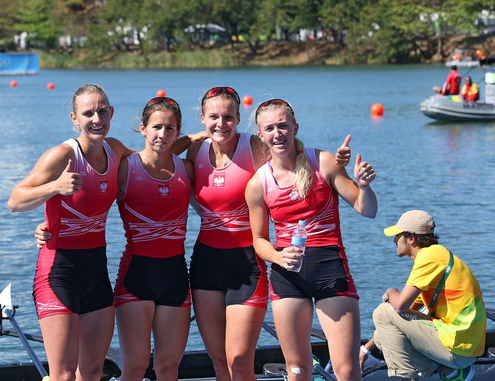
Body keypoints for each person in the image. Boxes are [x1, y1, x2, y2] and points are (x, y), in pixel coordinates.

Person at [185, 87, 353, 381]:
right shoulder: (194, 151)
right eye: (213, 117)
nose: (221, 124)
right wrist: (195, 137)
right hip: (206, 262)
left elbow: (291, 156)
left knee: (239, 361)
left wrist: (337, 168)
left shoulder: (255, 147)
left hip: (249, 262)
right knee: (218, 360)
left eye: (228, 117)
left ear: (239, 119)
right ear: (202, 118)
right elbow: (159, 153)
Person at [7, 84, 134, 381]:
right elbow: (15, 201)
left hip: (96, 272)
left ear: (111, 113)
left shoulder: (115, 149)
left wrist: (198, 139)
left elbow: (154, 156)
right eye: (88, 113)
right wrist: (54, 188)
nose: (96, 119)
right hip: (58, 273)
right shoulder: (62, 156)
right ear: (75, 118)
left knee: (91, 371)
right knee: (63, 374)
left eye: (102, 111)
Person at [245, 98, 377, 381]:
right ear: (260, 135)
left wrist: (363, 187)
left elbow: (367, 209)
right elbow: (258, 240)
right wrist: (279, 257)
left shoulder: (324, 162)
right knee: (297, 369)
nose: (277, 133)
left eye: (283, 125)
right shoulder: (258, 183)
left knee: (347, 369)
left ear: (295, 127)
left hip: (330, 267)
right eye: (270, 128)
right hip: (287, 275)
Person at [113, 97, 194, 381]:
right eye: (156, 126)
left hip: (175, 276)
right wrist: (49, 225)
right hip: (136, 276)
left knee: (169, 369)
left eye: (169, 128)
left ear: (178, 131)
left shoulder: (188, 169)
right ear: (143, 128)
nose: (162, 134)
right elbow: (89, 199)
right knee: (135, 368)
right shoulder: (125, 167)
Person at [360, 210, 486, 381]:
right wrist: (365, 349)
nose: (394, 240)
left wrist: (391, 291)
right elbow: (403, 315)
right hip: (465, 345)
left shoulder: (430, 256)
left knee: (383, 311)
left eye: (397, 236)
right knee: (385, 335)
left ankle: (407, 377)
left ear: (411, 239)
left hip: (459, 346)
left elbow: (399, 306)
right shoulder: (436, 256)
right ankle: (448, 371)